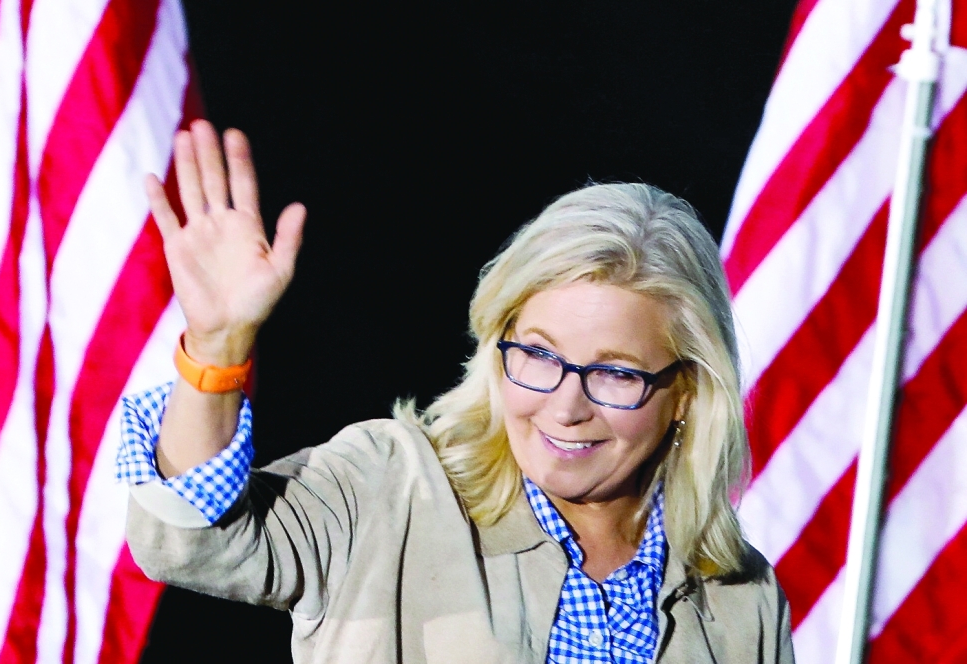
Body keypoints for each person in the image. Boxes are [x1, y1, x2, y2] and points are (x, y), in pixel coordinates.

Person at [118, 119, 794, 663]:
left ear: (687, 393)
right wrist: (216, 350)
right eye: (538, 354)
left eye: (615, 373)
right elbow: (189, 537)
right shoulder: (388, 486)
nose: (565, 406)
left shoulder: (743, 598)